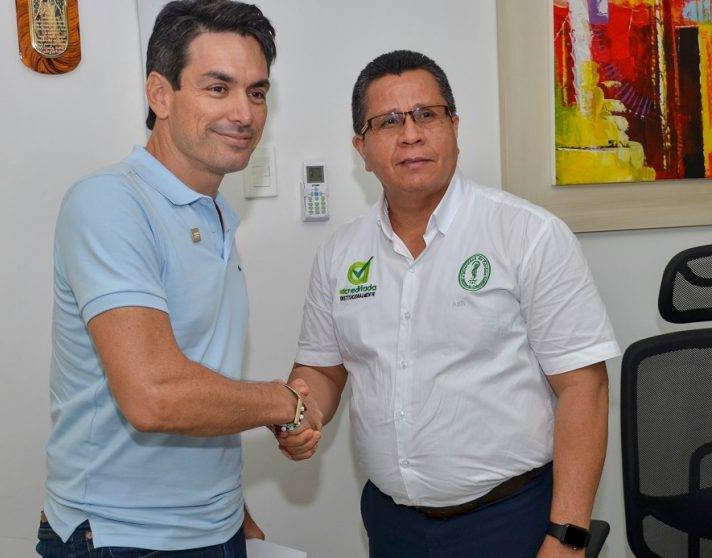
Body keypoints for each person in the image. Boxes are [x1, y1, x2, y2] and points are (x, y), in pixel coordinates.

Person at [279, 50, 620, 557]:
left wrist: (567, 538)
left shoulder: (528, 235)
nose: (410, 134)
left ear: (455, 127)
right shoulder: (340, 254)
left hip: (510, 520)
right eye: (388, 121)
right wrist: (299, 416)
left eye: (427, 115)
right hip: (392, 523)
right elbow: (324, 371)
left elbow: (583, 389)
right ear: (361, 148)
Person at [37, 2, 320, 556]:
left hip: (213, 527)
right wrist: (282, 402)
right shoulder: (111, 202)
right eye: (218, 88)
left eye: (257, 92)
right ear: (159, 95)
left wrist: (232, 509)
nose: (243, 113)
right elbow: (155, 396)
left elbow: (199, 376)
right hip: (122, 537)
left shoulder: (214, 215)